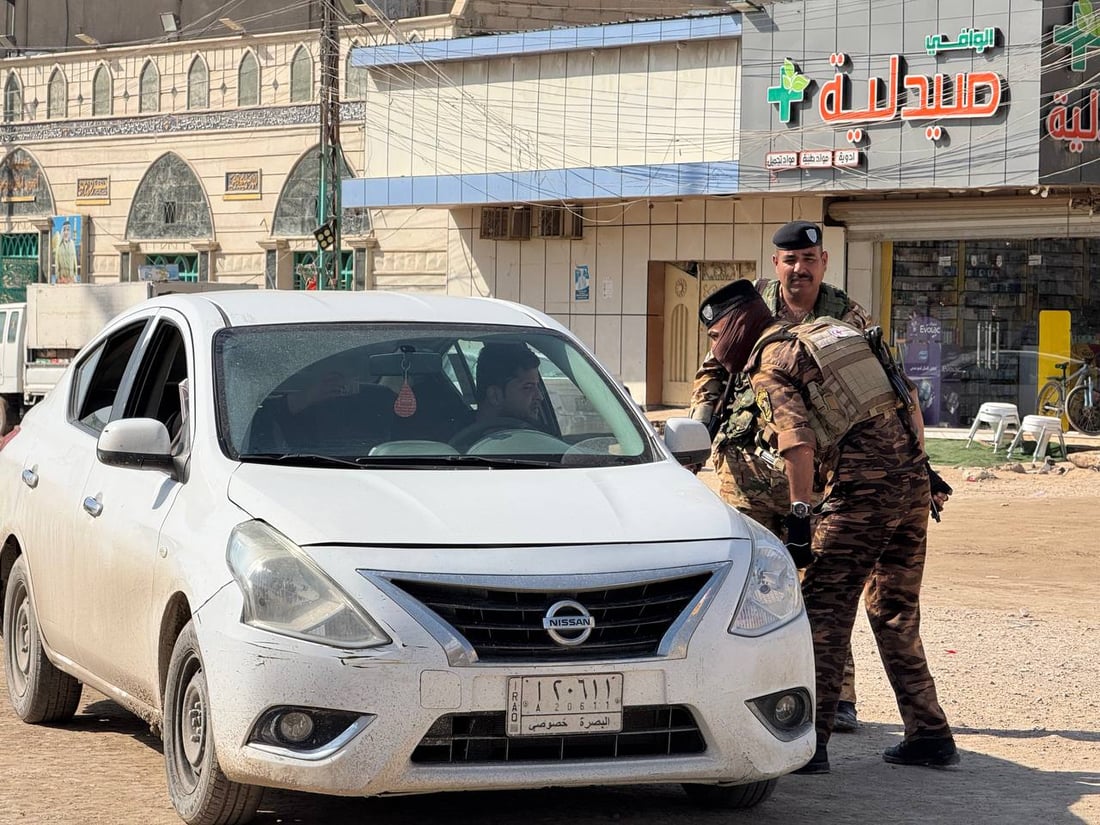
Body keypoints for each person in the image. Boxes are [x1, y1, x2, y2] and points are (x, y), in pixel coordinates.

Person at [698, 278, 956, 775]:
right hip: (911, 486)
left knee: (822, 612)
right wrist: (916, 467)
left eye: (714, 336)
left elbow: (796, 443)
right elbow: (909, 403)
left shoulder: (771, 360)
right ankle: (930, 734)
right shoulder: (836, 332)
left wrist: (799, 517)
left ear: (736, 325)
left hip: (862, 494)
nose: (714, 347)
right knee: (895, 611)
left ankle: (809, 745)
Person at [689, 220, 868, 733]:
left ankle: (836, 693)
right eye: (790, 260)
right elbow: (713, 373)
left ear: (823, 263)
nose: (799, 269)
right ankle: (736, 684)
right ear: (776, 265)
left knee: (824, 586)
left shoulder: (845, 315)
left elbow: (872, 376)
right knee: (741, 577)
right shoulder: (750, 307)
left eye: (809, 260)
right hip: (745, 469)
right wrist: (700, 422)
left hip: (814, 472)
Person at [451, 342, 544, 450]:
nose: (540, 396)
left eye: (537, 386)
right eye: (528, 387)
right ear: (495, 395)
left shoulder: (544, 439)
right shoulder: (451, 447)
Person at [53, 220, 79, 284]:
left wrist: (75, 274)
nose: (66, 232)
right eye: (64, 230)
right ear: (62, 231)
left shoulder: (72, 243)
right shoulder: (59, 245)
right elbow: (57, 261)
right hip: (62, 278)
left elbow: (74, 259)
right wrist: (58, 276)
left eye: (68, 230)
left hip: (71, 278)